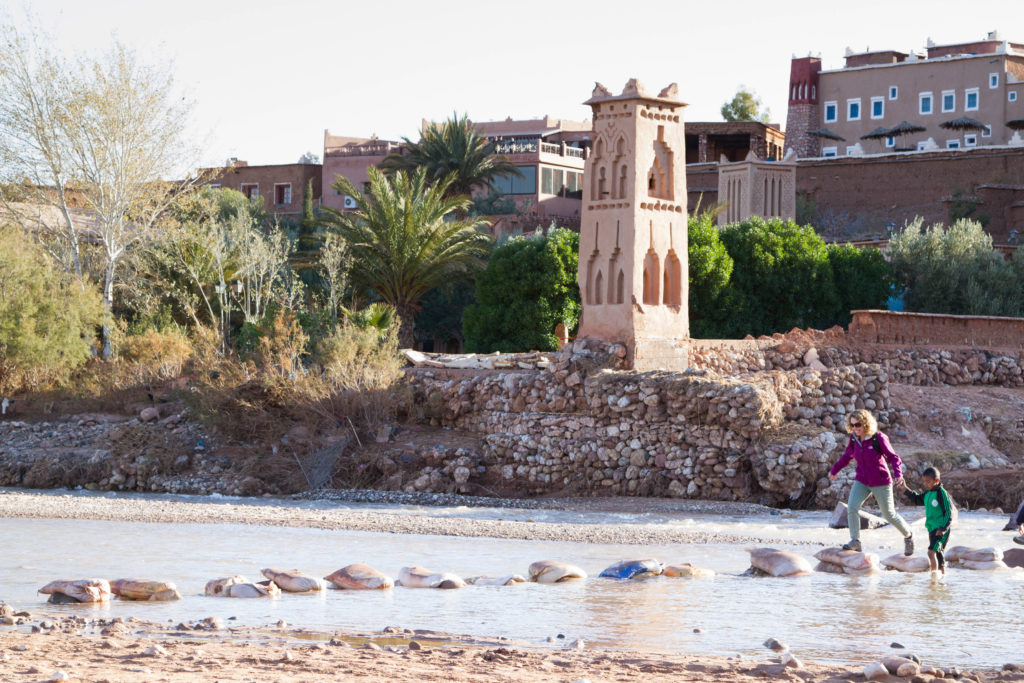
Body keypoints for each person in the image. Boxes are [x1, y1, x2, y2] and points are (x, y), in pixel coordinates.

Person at [828, 409, 914, 555]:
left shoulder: (878, 438)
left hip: (881, 481)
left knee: (889, 515)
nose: (855, 428)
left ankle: (908, 536)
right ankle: (855, 541)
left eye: (858, 425)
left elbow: (893, 457)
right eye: (852, 425)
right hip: (862, 480)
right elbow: (847, 456)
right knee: (852, 508)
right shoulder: (854, 439)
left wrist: (898, 475)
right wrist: (834, 470)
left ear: (866, 423)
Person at [899, 467, 953, 573]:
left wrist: (943, 528)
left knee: (931, 552)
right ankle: (942, 578)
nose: (925, 484)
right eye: (924, 481)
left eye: (928, 482)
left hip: (941, 529)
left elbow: (948, 512)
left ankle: (934, 578)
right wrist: (905, 489)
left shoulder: (941, 493)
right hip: (932, 528)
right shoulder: (928, 493)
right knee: (938, 553)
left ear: (936, 481)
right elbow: (917, 499)